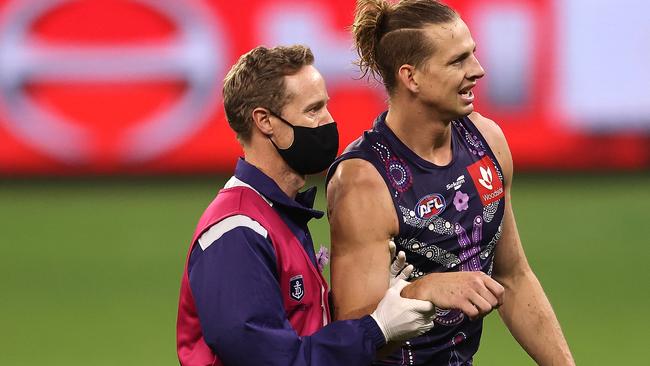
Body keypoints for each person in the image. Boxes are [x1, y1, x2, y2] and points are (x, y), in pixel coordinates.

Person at [326, 0, 575, 365]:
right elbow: (353, 338)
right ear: (411, 77)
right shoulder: (364, 182)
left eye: (472, 54)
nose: (478, 70)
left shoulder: (487, 142)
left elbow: (513, 276)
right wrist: (425, 289)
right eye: (458, 61)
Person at [176, 45, 438, 366]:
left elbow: (300, 332)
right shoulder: (237, 232)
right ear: (265, 122)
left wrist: (376, 303)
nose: (329, 121)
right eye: (313, 110)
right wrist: (376, 328)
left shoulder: (277, 214)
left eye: (326, 106)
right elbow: (272, 361)